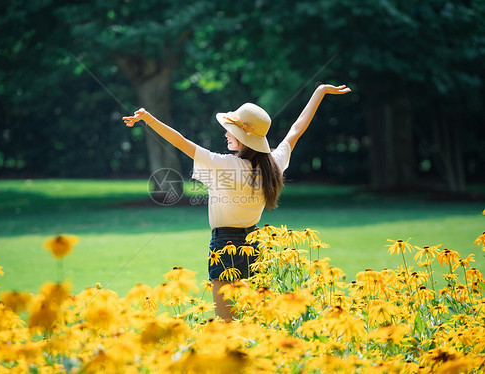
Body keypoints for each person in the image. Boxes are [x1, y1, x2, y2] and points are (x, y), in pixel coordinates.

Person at [123, 84, 351, 321]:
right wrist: (320, 91)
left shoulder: (224, 164)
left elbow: (180, 142)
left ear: (243, 137)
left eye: (229, 130)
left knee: (226, 324)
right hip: (255, 243)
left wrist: (148, 119)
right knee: (252, 321)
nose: (226, 134)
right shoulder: (274, 162)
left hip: (224, 244)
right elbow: (296, 129)